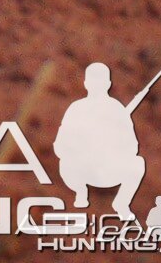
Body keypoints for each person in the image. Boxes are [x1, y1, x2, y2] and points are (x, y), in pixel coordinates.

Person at [55, 63, 149, 221]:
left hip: (107, 170)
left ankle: (121, 203)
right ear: (86, 84)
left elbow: (132, 146)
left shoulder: (117, 110)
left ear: (108, 84)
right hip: (80, 170)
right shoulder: (76, 108)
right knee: (66, 162)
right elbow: (60, 144)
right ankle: (80, 192)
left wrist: (111, 144)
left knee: (138, 163)